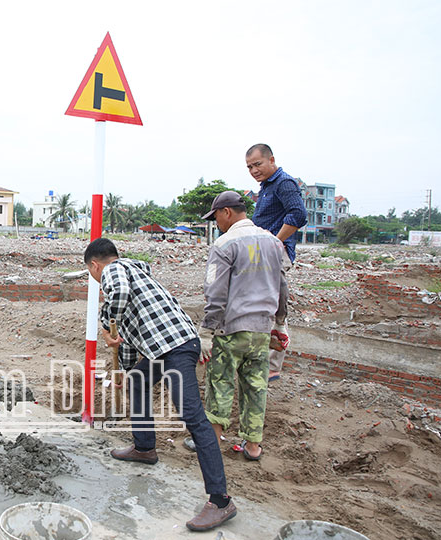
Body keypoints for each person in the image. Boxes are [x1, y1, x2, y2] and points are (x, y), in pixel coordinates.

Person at [85, 238, 236, 532]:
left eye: (92, 274)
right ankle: (144, 448)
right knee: (138, 381)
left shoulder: (115, 270)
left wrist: (105, 324)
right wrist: (124, 373)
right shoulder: (139, 276)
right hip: (162, 349)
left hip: (176, 348)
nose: (96, 280)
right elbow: (126, 340)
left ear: (95, 265)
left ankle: (221, 501)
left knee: (193, 417)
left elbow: (117, 300)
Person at [200, 191, 290, 460]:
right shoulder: (274, 243)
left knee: (220, 384)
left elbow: (215, 293)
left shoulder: (225, 244)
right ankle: (252, 446)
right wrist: (280, 323)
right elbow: (282, 287)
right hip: (261, 330)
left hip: (231, 329)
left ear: (226, 212)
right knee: (256, 387)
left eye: (216, 216)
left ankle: (213, 441)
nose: (216, 223)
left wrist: (206, 330)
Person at [246, 143, 306, 381]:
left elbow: (298, 215)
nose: (253, 170)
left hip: (273, 253)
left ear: (272, 160)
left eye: (257, 164)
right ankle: (261, 358)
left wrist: (275, 242)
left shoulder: (284, 183)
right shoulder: (266, 187)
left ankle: (272, 365)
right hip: (262, 251)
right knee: (260, 305)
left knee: (272, 308)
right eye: (249, 166)